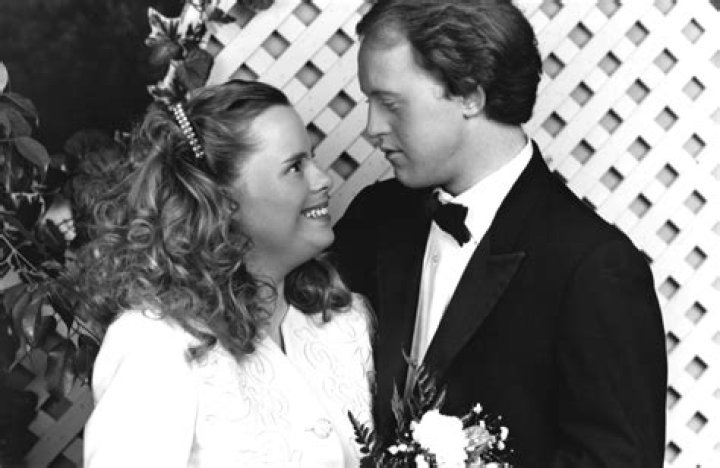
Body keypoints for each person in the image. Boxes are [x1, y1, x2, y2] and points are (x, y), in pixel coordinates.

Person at [332, 0, 667, 466]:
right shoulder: (376, 216)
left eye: (390, 103)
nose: (372, 127)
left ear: (471, 94)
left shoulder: (594, 267)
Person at [79, 80, 373, 467]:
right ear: (222, 200)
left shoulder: (343, 317)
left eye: (313, 160)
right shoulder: (156, 343)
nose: (323, 179)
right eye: (295, 167)